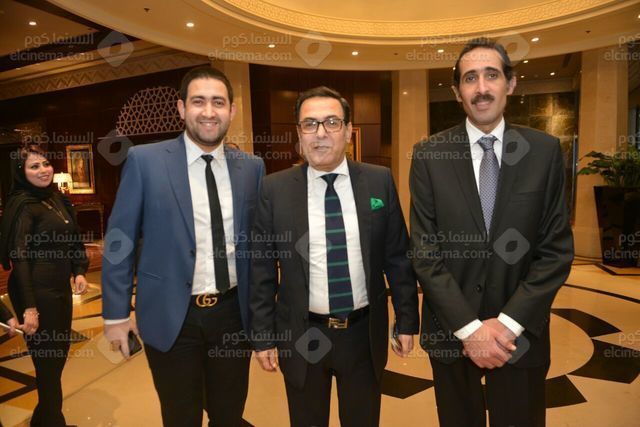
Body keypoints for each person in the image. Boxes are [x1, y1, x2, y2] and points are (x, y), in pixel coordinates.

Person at [409, 38, 574, 427]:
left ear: (510, 83)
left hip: (521, 334)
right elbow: (425, 252)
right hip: (452, 335)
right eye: (470, 78)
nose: (481, 88)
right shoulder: (429, 155)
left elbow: (555, 251)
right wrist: (470, 331)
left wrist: (507, 324)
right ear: (457, 92)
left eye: (491, 75)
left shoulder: (543, 151)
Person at [102, 66, 264, 427]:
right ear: (181, 108)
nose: (209, 111)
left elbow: (258, 247)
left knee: (228, 414)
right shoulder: (145, 161)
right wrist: (116, 315)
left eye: (218, 102)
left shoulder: (252, 168)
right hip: (171, 315)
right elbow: (119, 239)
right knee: (180, 416)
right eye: (198, 101)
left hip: (232, 314)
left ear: (232, 111)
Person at [251, 86, 419, 427]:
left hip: (362, 335)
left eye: (331, 122)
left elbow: (397, 257)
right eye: (309, 124)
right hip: (303, 333)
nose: (320, 133)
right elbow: (262, 269)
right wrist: (263, 336)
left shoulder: (379, 181)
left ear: (348, 130)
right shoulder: (274, 189)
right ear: (299, 133)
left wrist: (406, 320)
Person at [0, 144, 89, 427]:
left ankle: (43, 419)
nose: (43, 170)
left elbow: (73, 238)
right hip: (36, 291)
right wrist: (29, 308)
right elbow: (20, 258)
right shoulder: (23, 205)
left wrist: (78, 271)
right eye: (34, 166)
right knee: (48, 363)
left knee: (57, 357)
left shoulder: (56, 198)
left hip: (59, 289)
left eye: (45, 164)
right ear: (21, 172)